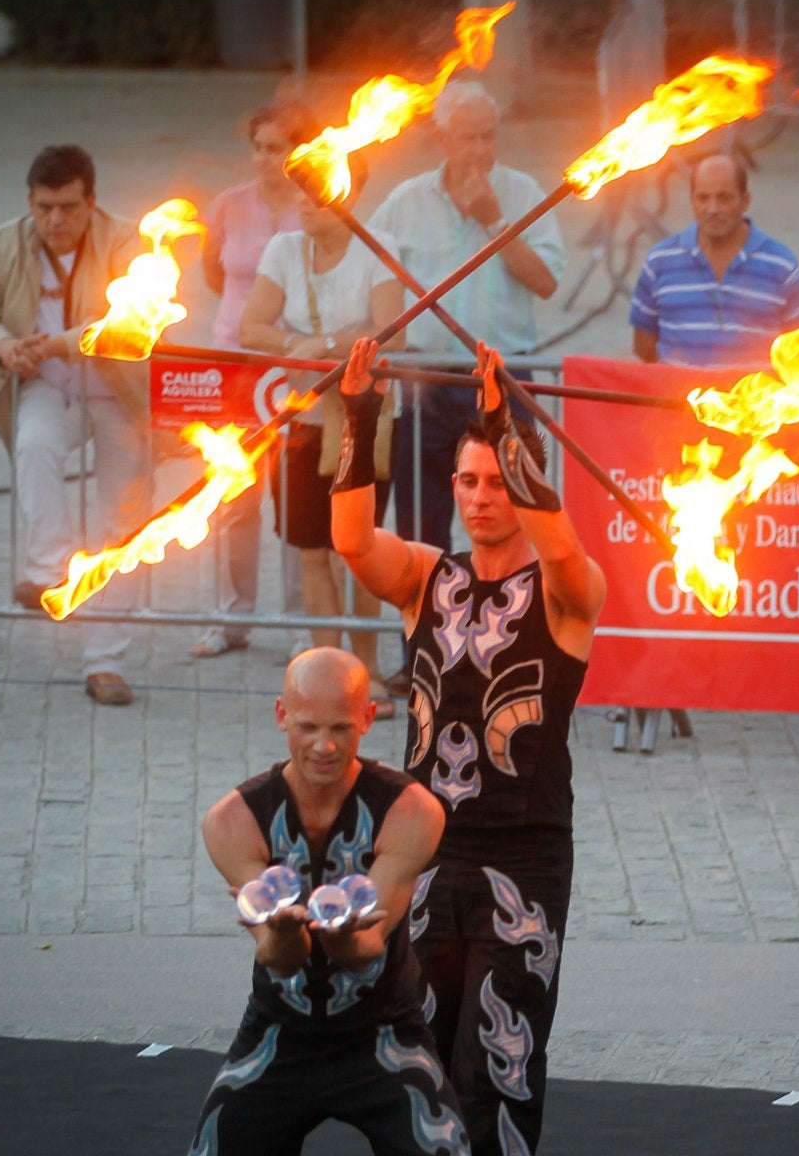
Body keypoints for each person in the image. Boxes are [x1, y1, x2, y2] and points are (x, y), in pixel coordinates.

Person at [330, 338, 606, 1156]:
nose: (480, 499)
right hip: (422, 857)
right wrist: (360, 409)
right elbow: (350, 540)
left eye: (497, 482)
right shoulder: (426, 577)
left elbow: (559, 548)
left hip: (521, 864)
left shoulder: (570, 593)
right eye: (467, 482)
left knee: (495, 1064)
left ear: (525, 487)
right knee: (415, 1064)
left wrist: (500, 423)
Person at [188, 647, 469, 1155]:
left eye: (341, 728)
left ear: (368, 716)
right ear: (281, 717)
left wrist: (345, 936)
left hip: (383, 1033)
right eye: (307, 727)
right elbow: (276, 958)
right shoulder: (233, 821)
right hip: (279, 1035)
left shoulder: (412, 811)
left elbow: (365, 950)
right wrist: (282, 931)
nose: (324, 746)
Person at [0, 144, 150, 707]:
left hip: (116, 389)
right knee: (34, 446)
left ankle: (105, 662)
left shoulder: (129, 237)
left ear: (92, 202)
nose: (54, 221)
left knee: (123, 524)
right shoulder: (4, 240)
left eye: (67, 207)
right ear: (29, 203)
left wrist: (60, 343)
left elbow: (133, 321)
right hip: (43, 381)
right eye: (43, 208)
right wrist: (4, 346)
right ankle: (49, 568)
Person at [368, 80, 566, 556]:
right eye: (467, 137)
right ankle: (424, 630)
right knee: (421, 527)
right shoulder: (404, 203)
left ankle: (512, 624)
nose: (480, 149)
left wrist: (496, 222)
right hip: (426, 380)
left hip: (504, 376)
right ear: (442, 139)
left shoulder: (524, 193)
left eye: (488, 136)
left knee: (516, 517)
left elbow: (546, 281)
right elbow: (369, 275)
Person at [239, 155, 403, 718]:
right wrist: (294, 346)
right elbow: (251, 325)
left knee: (359, 547)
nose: (303, 202)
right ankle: (330, 675)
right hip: (304, 420)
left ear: (348, 192)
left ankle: (369, 670)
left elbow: (391, 332)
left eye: (315, 192)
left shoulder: (379, 245)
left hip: (364, 418)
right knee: (312, 549)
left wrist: (327, 342)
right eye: (299, 193)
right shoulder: (284, 250)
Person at [191, 101, 319, 660]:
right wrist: (244, 325)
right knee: (233, 495)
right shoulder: (228, 206)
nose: (269, 158)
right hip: (235, 362)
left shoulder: (316, 206)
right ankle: (231, 616)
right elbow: (214, 273)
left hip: (293, 363)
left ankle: (301, 619)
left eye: (280, 147)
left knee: (294, 496)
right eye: (261, 146)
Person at [629, 151, 799, 367]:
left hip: (750, 401)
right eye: (703, 198)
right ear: (692, 200)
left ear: (745, 201)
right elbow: (643, 346)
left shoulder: (782, 266)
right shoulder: (659, 262)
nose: (712, 209)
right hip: (674, 399)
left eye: (724, 198)